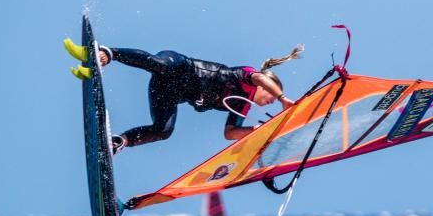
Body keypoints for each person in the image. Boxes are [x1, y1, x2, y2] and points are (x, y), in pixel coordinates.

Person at [65, 39, 301, 154]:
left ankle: (119, 141)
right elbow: (261, 79)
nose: (269, 99)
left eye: (273, 98)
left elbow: (230, 134)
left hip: (167, 92)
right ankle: (107, 53)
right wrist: (282, 98)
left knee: (163, 130)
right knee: (158, 64)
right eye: (270, 94)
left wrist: (261, 130)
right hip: (178, 65)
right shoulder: (248, 76)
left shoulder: (240, 106)